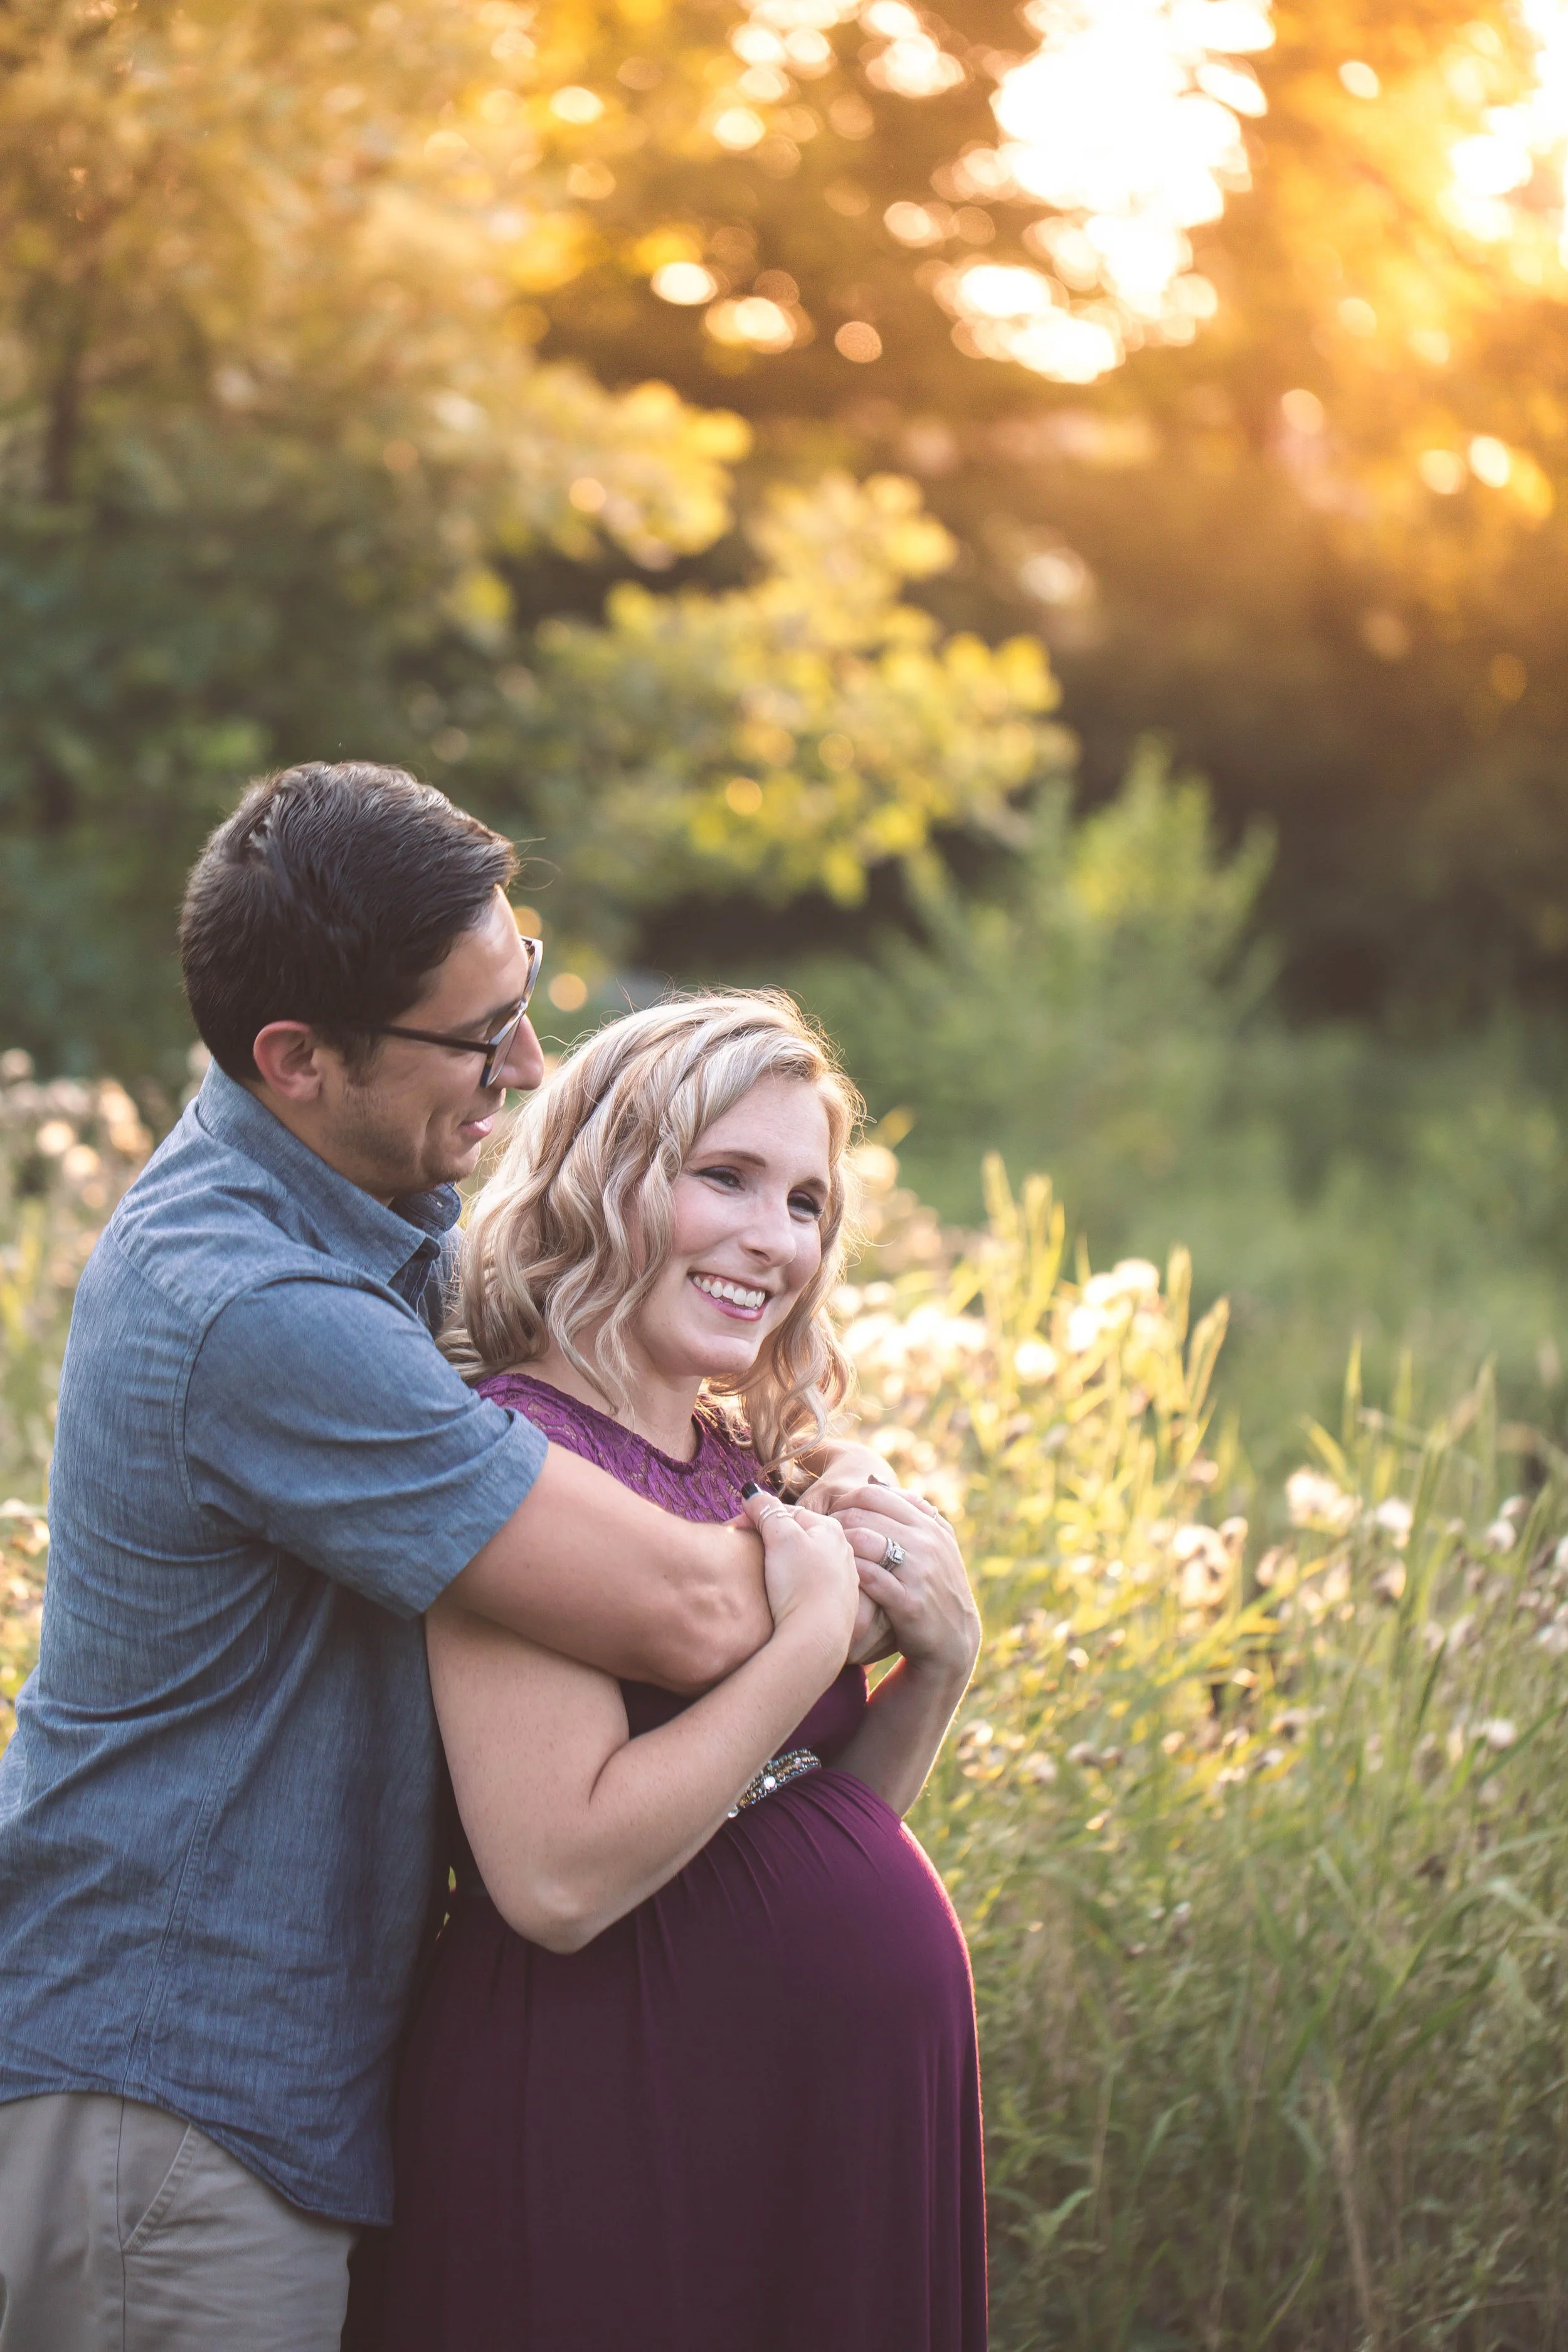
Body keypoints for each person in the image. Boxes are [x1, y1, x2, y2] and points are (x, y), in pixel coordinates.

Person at [0, 765, 887, 2352]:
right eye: (477, 1037)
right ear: (297, 1059)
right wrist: (847, 1571)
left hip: (271, 2098)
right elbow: (685, 1603)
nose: (527, 1063)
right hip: (169, 2104)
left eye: (522, 997)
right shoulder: (259, 1309)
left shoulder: (370, 1232)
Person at [375, 993, 987, 2352]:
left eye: (806, 1202)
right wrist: (812, 1639)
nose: (774, 1240)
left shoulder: (748, 1469)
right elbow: (556, 1879)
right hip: (624, 2109)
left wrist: (936, 1672)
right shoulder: (514, 1464)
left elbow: (795, 1812)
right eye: (726, 1177)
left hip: (815, 2122)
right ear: (605, 1179)